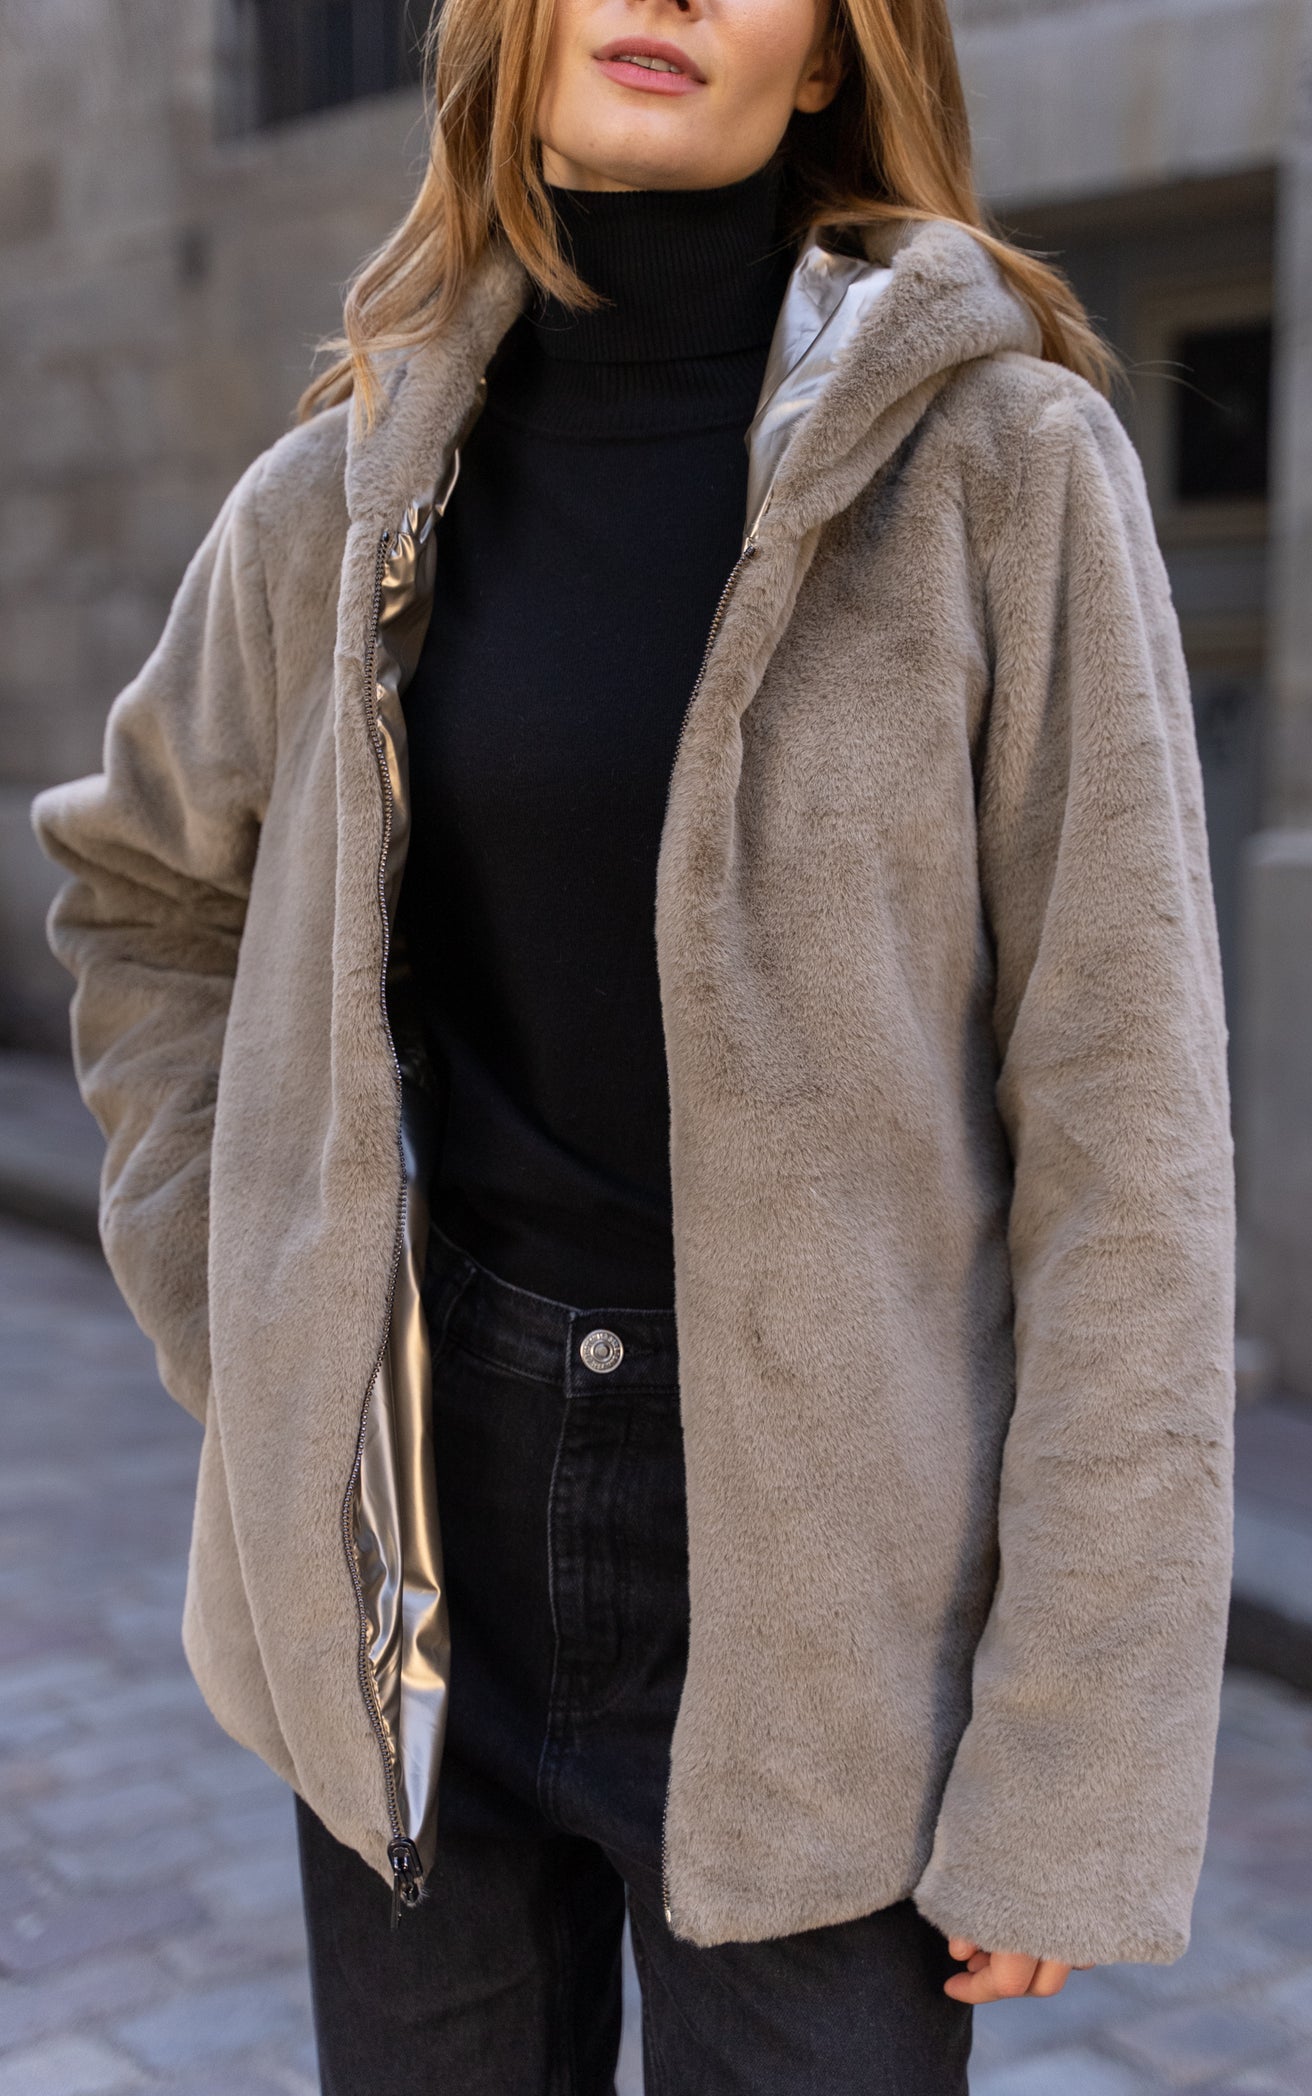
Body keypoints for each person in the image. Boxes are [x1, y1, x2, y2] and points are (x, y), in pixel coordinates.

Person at [32, 0, 1237, 2087]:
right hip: (414, 1547)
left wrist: (1072, 1754)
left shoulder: (1003, 471)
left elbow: (1128, 1133)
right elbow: (145, 900)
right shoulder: (339, 495)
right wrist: (261, 1315)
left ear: (833, 54)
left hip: (830, 1599)